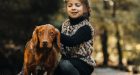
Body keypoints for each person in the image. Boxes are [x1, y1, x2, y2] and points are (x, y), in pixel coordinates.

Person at [54, 0, 96, 75]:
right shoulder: (64, 25)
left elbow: (72, 41)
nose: (73, 8)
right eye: (70, 5)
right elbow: (56, 41)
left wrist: (55, 33)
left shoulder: (86, 27)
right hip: (66, 60)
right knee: (55, 67)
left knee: (65, 65)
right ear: (66, 8)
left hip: (83, 62)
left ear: (85, 8)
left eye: (77, 5)